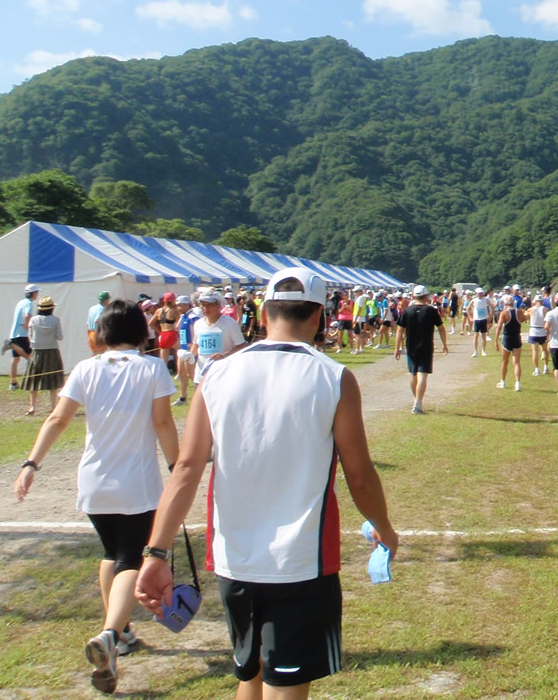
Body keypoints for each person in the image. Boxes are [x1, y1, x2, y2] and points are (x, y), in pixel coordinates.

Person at [135, 267, 398, 699]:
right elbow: (359, 474)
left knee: (251, 674)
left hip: (234, 560)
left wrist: (156, 552)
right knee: (286, 685)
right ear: (320, 316)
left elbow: (186, 469)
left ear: (262, 311)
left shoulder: (217, 374)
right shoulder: (333, 377)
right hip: (301, 561)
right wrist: (384, 527)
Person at [15, 299, 180, 695]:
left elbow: (58, 418)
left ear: (102, 331)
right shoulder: (151, 368)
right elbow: (162, 422)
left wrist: (32, 463)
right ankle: (111, 634)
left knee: (111, 554)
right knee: (131, 559)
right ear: (141, 332)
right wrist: (178, 467)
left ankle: (121, 632)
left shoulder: (86, 369)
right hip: (136, 483)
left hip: (94, 480)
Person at [394, 283, 447, 414]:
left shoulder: (407, 311)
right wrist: (444, 344)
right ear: (426, 296)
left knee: (413, 374)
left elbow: (399, 330)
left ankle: (417, 400)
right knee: (423, 375)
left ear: (413, 296)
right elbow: (441, 328)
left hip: (411, 347)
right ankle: (418, 402)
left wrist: (397, 347)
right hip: (426, 346)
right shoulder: (431, 311)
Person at [190, 289, 247, 385]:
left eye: (209, 305)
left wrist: (225, 355)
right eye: (203, 305)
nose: (205, 308)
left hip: (222, 375)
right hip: (201, 376)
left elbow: (241, 345)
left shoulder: (230, 323)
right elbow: (196, 344)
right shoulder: (198, 324)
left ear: (218, 305)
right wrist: (189, 355)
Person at [24, 295, 67, 416]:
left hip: (37, 351)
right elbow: (60, 337)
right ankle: (53, 406)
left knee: (34, 379)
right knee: (53, 379)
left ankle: (32, 407)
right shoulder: (56, 320)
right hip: (52, 351)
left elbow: (30, 336)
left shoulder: (33, 320)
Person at [6, 283, 39, 390]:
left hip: (14, 334)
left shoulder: (20, 302)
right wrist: (28, 328)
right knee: (32, 358)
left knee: (15, 359)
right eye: (37, 292)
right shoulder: (29, 303)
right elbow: (27, 315)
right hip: (22, 335)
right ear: (33, 293)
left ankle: (13, 383)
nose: (37, 294)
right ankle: (33, 381)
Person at [495, 293, 524, 391]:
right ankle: (518, 383)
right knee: (516, 362)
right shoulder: (519, 312)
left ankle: (503, 381)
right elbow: (523, 319)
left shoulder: (504, 313)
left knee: (504, 361)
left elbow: (499, 327)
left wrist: (496, 340)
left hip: (507, 338)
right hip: (516, 337)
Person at [527, 291, 550, 378]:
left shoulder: (531, 309)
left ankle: (537, 369)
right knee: (545, 350)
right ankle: (546, 366)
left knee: (535, 351)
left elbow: (526, 316)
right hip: (542, 330)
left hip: (533, 330)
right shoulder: (545, 309)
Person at [467, 288, 491, 358]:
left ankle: (483, 350)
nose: (480, 294)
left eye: (481, 293)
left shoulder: (486, 299)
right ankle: (475, 351)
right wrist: (470, 317)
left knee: (484, 336)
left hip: (483, 319)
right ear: (476, 293)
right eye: (479, 293)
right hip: (477, 320)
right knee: (476, 336)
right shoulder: (474, 300)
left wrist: (490, 315)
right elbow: (468, 308)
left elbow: (492, 306)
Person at [87, 291, 111, 355]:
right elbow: (97, 320)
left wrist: (88, 336)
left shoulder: (92, 308)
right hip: (99, 334)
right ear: (106, 300)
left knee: (95, 354)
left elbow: (88, 324)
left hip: (91, 333)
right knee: (101, 354)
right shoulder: (103, 308)